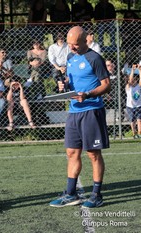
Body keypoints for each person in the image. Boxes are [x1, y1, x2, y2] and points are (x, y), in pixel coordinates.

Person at [49, 26, 111, 208]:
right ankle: (70, 194)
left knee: (93, 154)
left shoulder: (95, 58)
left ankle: (96, 195)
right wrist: (64, 85)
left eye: (75, 44)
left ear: (86, 41)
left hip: (92, 110)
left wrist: (89, 94)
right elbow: (71, 81)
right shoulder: (70, 57)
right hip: (74, 112)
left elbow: (106, 85)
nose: (72, 47)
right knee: (71, 152)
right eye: (69, 44)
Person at [125, 64, 141, 139]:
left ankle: (139, 133)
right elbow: (130, 80)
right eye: (132, 80)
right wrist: (133, 70)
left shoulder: (138, 86)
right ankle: (134, 133)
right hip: (130, 106)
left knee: (139, 120)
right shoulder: (128, 87)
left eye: (135, 80)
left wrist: (140, 70)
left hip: (138, 105)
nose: (133, 81)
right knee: (132, 120)